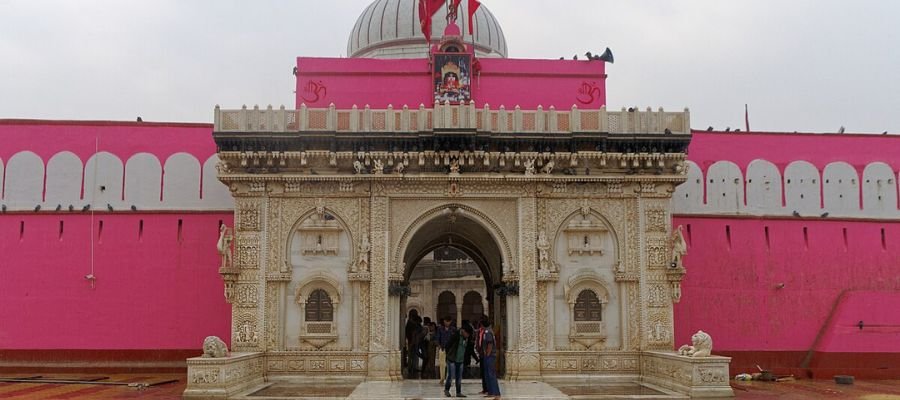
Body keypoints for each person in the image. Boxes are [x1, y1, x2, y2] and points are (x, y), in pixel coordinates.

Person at [444, 325, 472, 398]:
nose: (467, 336)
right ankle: (446, 389)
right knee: (451, 375)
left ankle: (458, 392)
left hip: (460, 360)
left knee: (459, 377)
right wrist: (449, 355)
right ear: (463, 331)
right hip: (452, 359)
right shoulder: (455, 335)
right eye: (467, 334)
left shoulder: (466, 338)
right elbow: (447, 345)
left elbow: (468, 349)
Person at [481, 319, 501, 399]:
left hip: (490, 356)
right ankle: (491, 391)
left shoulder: (487, 332)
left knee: (491, 374)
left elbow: (490, 344)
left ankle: (495, 392)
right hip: (488, 355)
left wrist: (488, 354)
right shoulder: (489, 331)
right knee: (488, 374)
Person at [433, 316, 456, 384]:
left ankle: (449, 378)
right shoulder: (440, 329)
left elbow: (455, 339)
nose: (447, 323)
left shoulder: (453, 329)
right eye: (446, 321)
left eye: (448, 321)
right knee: (442, 364)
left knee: (450, 364)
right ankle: (442, 378)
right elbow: (437, 338)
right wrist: (439, 346)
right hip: (442, 348)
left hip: (450, 349)